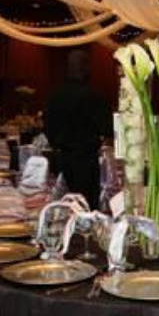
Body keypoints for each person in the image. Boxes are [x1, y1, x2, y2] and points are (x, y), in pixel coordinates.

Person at [44, 50, 112, 209]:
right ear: (85, 68)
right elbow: (108, 128)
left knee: (62, 207)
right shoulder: (91, 96)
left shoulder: (54, 95)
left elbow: (47, 128)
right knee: (86, 208)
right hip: (85, 162)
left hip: (59, 161)